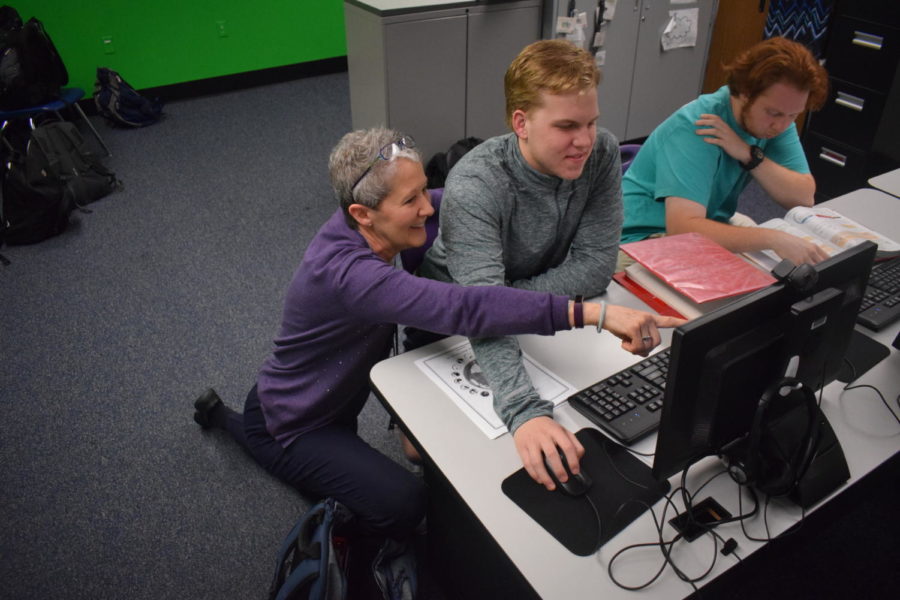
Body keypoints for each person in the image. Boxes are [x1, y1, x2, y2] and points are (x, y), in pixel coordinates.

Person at [191, 127, 643, 564]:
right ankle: (229, 423)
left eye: (425, 190)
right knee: (404, 503)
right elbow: (466, 308)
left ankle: (225, 416)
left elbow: (465, 203)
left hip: (331, 394)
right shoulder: (350, 274)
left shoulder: (383, 227)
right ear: (362, 215)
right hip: (294, 422)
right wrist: (589, 313)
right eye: (411, 200)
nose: (428, 208)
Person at [416, 40, 683, 490]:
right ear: (520, 123)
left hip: (541, 305)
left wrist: (512, 301)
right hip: (450, 321)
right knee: (452, 455)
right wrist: (523, 411)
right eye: (566, 126)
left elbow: (597, 266)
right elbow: (481, 311)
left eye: (591, 122)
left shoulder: (600, 153)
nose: (584, 140)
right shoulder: (476, 185)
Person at [618, 36, 831, 267]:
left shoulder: (779, 118)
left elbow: (803, 196)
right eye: (774, 113)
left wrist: (750, 155)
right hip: (640, 238)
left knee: (785, 266)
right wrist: (772, 238)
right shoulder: (698, 125)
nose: (781, 126)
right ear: (745, 93)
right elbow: (683, 229)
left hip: (703, 221)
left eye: (794, 115)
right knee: (752, 281)